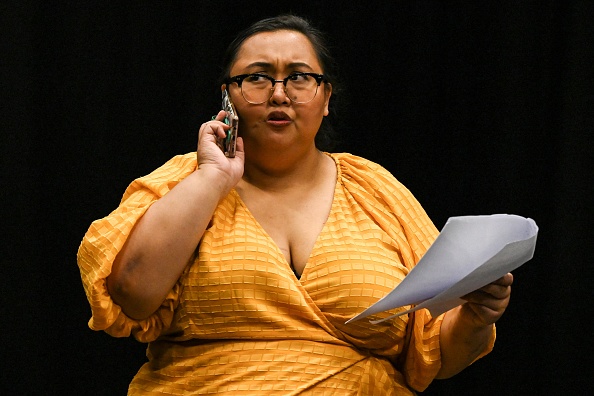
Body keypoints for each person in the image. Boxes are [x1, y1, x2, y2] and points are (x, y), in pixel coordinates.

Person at [77, 14, 514, 395]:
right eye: (257, 77)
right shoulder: (185, 179)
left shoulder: (375, 188)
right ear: (227, 97)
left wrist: (477, 313)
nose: (279, 94)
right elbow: (131, 295)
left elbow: (436, 349)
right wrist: (213, 177)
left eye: (300, 77)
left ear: (326, 100)